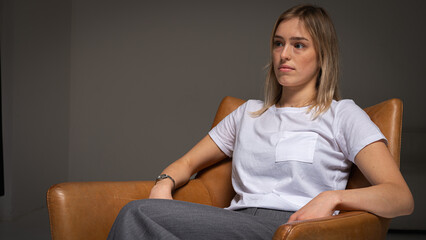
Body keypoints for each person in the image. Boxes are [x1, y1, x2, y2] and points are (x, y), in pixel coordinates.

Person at [107, 4, 414, 240]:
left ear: (323, 56)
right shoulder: (248, 114)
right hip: (236, 222)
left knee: (136, 214)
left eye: (299, 45)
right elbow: (187, 162)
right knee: (149, 221)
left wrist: (332, 198)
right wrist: (164, 184)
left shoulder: (342, 115)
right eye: (278, 43)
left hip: (293, 228)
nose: (284, 54)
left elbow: (400, 197)